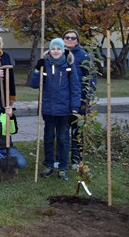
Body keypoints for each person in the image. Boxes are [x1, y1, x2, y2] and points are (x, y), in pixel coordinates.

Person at [30, 38, 81, 181]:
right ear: (50, 50)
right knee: (48, 138)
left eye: (59, 48)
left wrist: (74, 107)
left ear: (63, 49)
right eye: (53, 49)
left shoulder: (69, 65)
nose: (56, 51)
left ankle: (63, 167)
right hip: (48, 108)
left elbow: (75, 87)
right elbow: (34, 85)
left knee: (63, 138)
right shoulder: (45, 64)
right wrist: (36, 70)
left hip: (64, 109)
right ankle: (49, 165)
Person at [62, 29, 97, 168]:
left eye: (73, 38)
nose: (70, 40)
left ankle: (77, 159)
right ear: (63, 39)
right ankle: (62, 157)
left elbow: (91, 77)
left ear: (77, 41)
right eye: (67, 37)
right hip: (63, 99)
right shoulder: (59, 54)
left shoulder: (83, 56)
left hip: (80, 99)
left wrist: (87, 98)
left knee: (78, 130)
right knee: (63, 131)